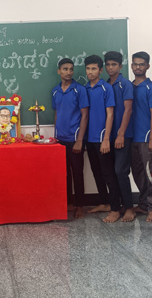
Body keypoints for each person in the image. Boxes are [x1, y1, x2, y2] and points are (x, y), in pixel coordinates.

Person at [84, 55, 121, 223]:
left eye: (94, 68)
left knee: (108, 173)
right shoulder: (85, 88)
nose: (90, 72)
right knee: (96, 171)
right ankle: (104, 202)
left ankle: (115, 208)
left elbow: (110, 114)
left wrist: (106, 139)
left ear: (100, 70)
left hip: (102, 138)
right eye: (88, 68)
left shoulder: (106, 88)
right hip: (89, 138)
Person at [52, 58, 89, 219]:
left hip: (75, 139)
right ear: (59, 71)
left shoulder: (79, 90)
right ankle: (67, 203)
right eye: (65, 69)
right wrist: (55, 136)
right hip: (60, 139)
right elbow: (57, 113)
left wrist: (80, 140)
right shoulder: (55, 91)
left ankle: (80, 206)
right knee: (63, 173)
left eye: (71, 69)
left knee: (77, 173)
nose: (68, 72)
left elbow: (85, 115)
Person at [104, 51, 136, 222]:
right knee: (111, 173)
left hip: (123, 135)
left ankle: (129, 207)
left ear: (120, 66)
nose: (111, 68)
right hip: (107, 135)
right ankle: (116, 207)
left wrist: (121, 134)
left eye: (114, 64)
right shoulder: (105, 85)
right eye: (108, 65)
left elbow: (128, 110)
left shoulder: (125, 84)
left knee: (120, 171)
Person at [130, 51, 152, 223]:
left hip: (146, 137)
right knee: (138, 173)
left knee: (150, 173)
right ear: (131, 66)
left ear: (147, 66)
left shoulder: (151, 88)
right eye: (135, 64)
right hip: (131, 138)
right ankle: (142, 204)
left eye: (141, 64)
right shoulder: (129, 87)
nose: (138, 67)